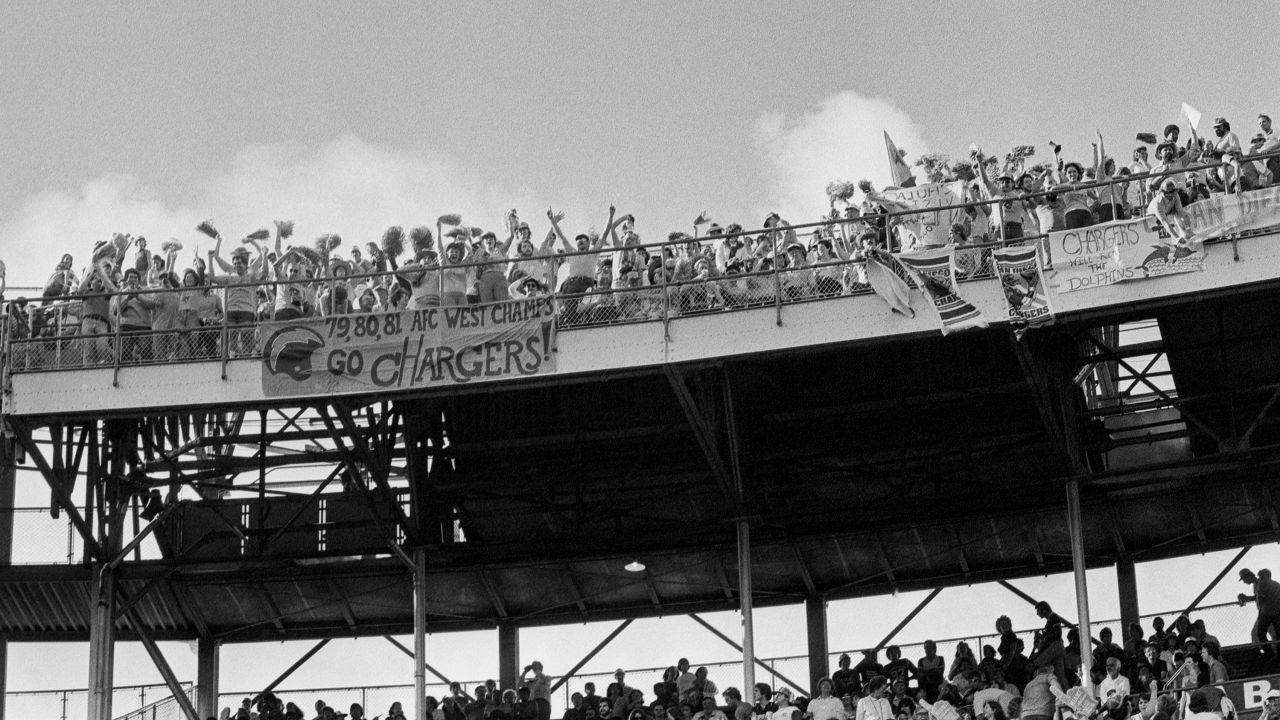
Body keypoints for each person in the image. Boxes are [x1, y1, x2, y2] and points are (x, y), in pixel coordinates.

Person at [1239, 568, 1280, 655]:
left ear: (1248, 576)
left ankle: (1270, 654)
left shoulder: (1261, 584)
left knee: (1266, 634)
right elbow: (1257, 597)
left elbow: (1261, 598)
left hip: (1266, 613)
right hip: (1265, 613)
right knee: (1259, 634)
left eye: (1244, 579)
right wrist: (1247, 598)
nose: (1244, 582)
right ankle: (1269, 653)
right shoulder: (1257, 584)